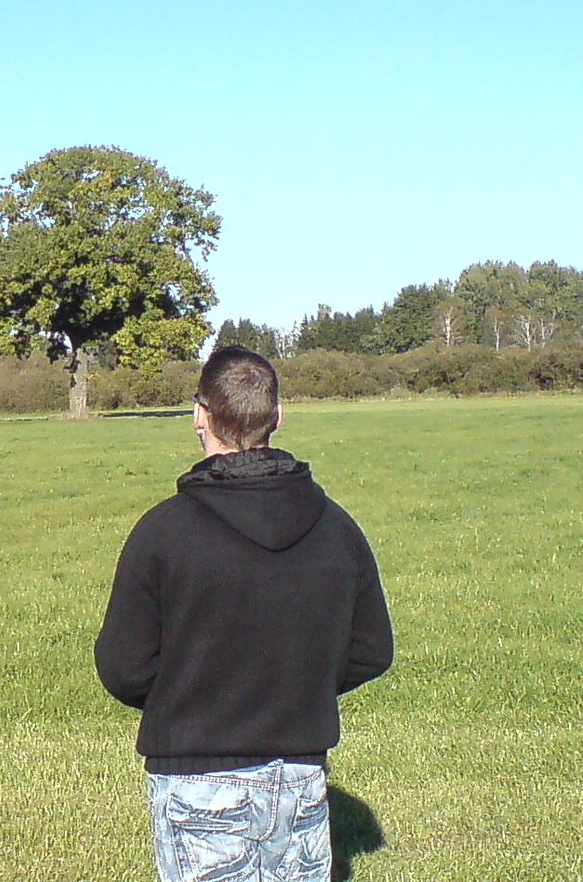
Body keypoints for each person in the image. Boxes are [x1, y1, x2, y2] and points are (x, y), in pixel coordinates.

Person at [94, 345, 393, 882]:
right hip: (299, 775)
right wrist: (296, 689)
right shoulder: (337, 527)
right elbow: (370, 650)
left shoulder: (163, 531)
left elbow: (123, 667)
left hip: (197, 778)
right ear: (278, 417)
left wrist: (196, 696)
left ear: (199, 415)